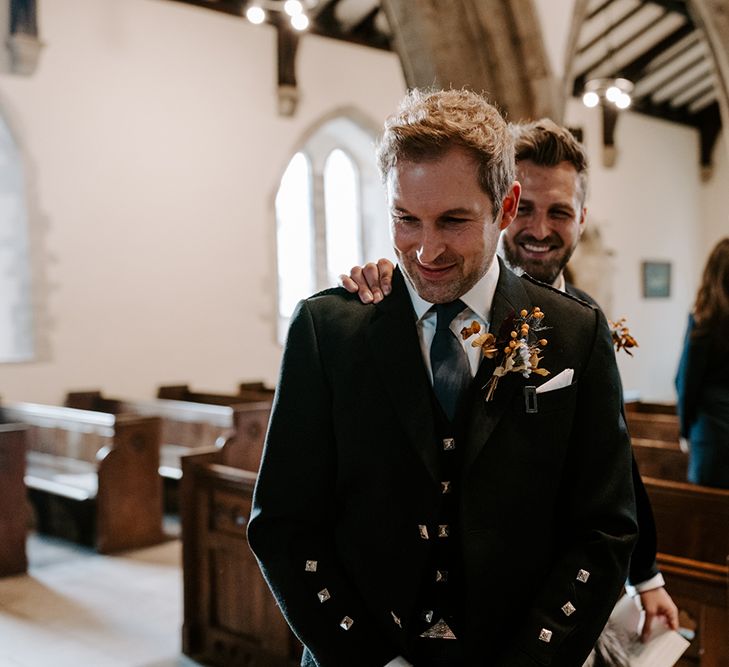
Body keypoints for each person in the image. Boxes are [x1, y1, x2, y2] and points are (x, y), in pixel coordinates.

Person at [248, 90, 638, 667]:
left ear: (504, 208)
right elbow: (284, 524)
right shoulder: (327, 330)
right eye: (405, 219)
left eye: (454, 221)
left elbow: (603, 527)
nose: (425, 250)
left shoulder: (574, 333)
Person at [342, 118, 679, 643]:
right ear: (502, 206)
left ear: (582, 219)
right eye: (525, 209)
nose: (539, 230)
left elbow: (611, 466)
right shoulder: (433, 297)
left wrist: (646, 573)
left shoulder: (585, 323)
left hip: (538, 606)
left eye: (560, 212)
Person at [675, 237, 729, 489]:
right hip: (711, 431)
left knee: (707, 516)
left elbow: (686, 381)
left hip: (712, 434)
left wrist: (684, 430)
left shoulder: (704, 317)